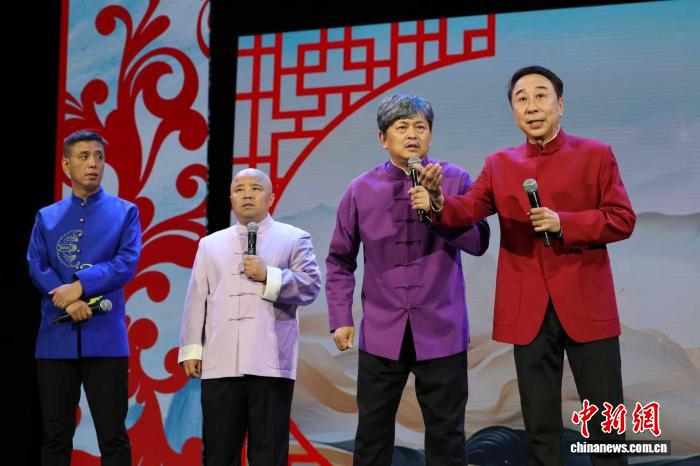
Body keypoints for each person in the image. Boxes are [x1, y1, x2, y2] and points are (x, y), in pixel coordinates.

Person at [413, 66, 635, 465]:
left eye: (540, 96)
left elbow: (621, 218)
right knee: (539, 425)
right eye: (521, 99)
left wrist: (564, 223)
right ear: (514, 110)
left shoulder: (596, 154)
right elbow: (467, 210)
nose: (531, 106)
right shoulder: (500, 164)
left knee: (606, 425)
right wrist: (439, 202)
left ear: (560, 105)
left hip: (587, 304)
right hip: (529, 310)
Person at [326, 93, 490, 466]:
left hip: (442, 329)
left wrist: (439, 206)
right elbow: (339, 260)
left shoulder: (455, 179)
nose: (412, 134)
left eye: (420, 126)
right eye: (401, 127)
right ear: (383, 138)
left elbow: (479, 242)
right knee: (372, 436)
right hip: (381, 331)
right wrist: (340, 317)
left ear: (431, 135)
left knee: (447, 437)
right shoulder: (360, 189)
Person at [178, 168, 322, 466]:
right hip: (220, 361)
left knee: (268, 453)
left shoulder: (293, 238)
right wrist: (192, 349)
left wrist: (268, 275)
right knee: (219, 453)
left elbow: (310, 285)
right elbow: (197, 297)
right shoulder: (210, 244)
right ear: (231, 199)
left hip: (270, 361)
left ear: (271, 198)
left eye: (255, 188)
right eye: (239, 189)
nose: (246, 194)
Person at [28, 129, 141, 465]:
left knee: (113, 436)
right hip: (55, 338)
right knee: (55, 437)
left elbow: (126, 262)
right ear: (66, 165)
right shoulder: (47, 217)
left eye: (99, 157)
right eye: (84, 156)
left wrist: (80, 285)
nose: (93, 163)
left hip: (106, 338)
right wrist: (69, 300)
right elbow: (36, 264)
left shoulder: (125, 213)